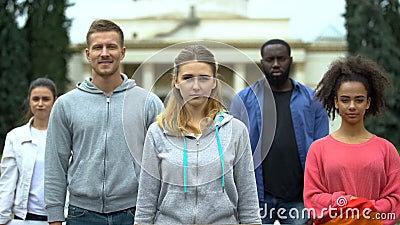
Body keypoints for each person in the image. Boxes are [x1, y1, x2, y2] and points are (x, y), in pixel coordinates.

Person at [44, 19, 164, 225]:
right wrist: (55, 217)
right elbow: (56, 163)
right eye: (98, 47)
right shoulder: (66, 105)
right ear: (88, 54)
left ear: (123, 52)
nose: (105, 53)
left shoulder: (148, 103)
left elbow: (164, 161)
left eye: (111, 47)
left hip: (135, 213)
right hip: (81, 214)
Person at [134, 44, 261, 224]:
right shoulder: (157, 132)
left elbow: (248, 202)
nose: (195, 86)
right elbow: (146, 202)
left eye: (203, 78)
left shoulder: (236, 130)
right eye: (187, 78)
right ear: (176, 81)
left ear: (214, 81)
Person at [230, 38, 329, 224]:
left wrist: (317, 201)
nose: (276, 64)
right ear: (262, 63)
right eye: (270, 59)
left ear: (290, 60)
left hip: (298, 198)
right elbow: (232, 151)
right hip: (257, 198)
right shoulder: (243, 100)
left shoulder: (313, 100)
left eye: (281, 58)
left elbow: (323, 151)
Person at [304, 56, 400, 225]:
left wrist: (359, 211)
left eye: (359, 100)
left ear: (368, 103)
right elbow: (313, 199)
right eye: (345, 99)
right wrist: (353, 204)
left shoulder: (387, 150)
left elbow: (395, 201)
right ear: (336, 102)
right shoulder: (318, 149)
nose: (352, 106)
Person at [0, 78, 57, 224]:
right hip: (24, 218)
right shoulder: (15, 137)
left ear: (55, 101)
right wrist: (2, 217)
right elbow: (7, 180)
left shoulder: (66, 136)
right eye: (35, 99)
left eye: (45, 99)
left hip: (58, 219)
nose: (40, 104)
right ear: (29, 101)